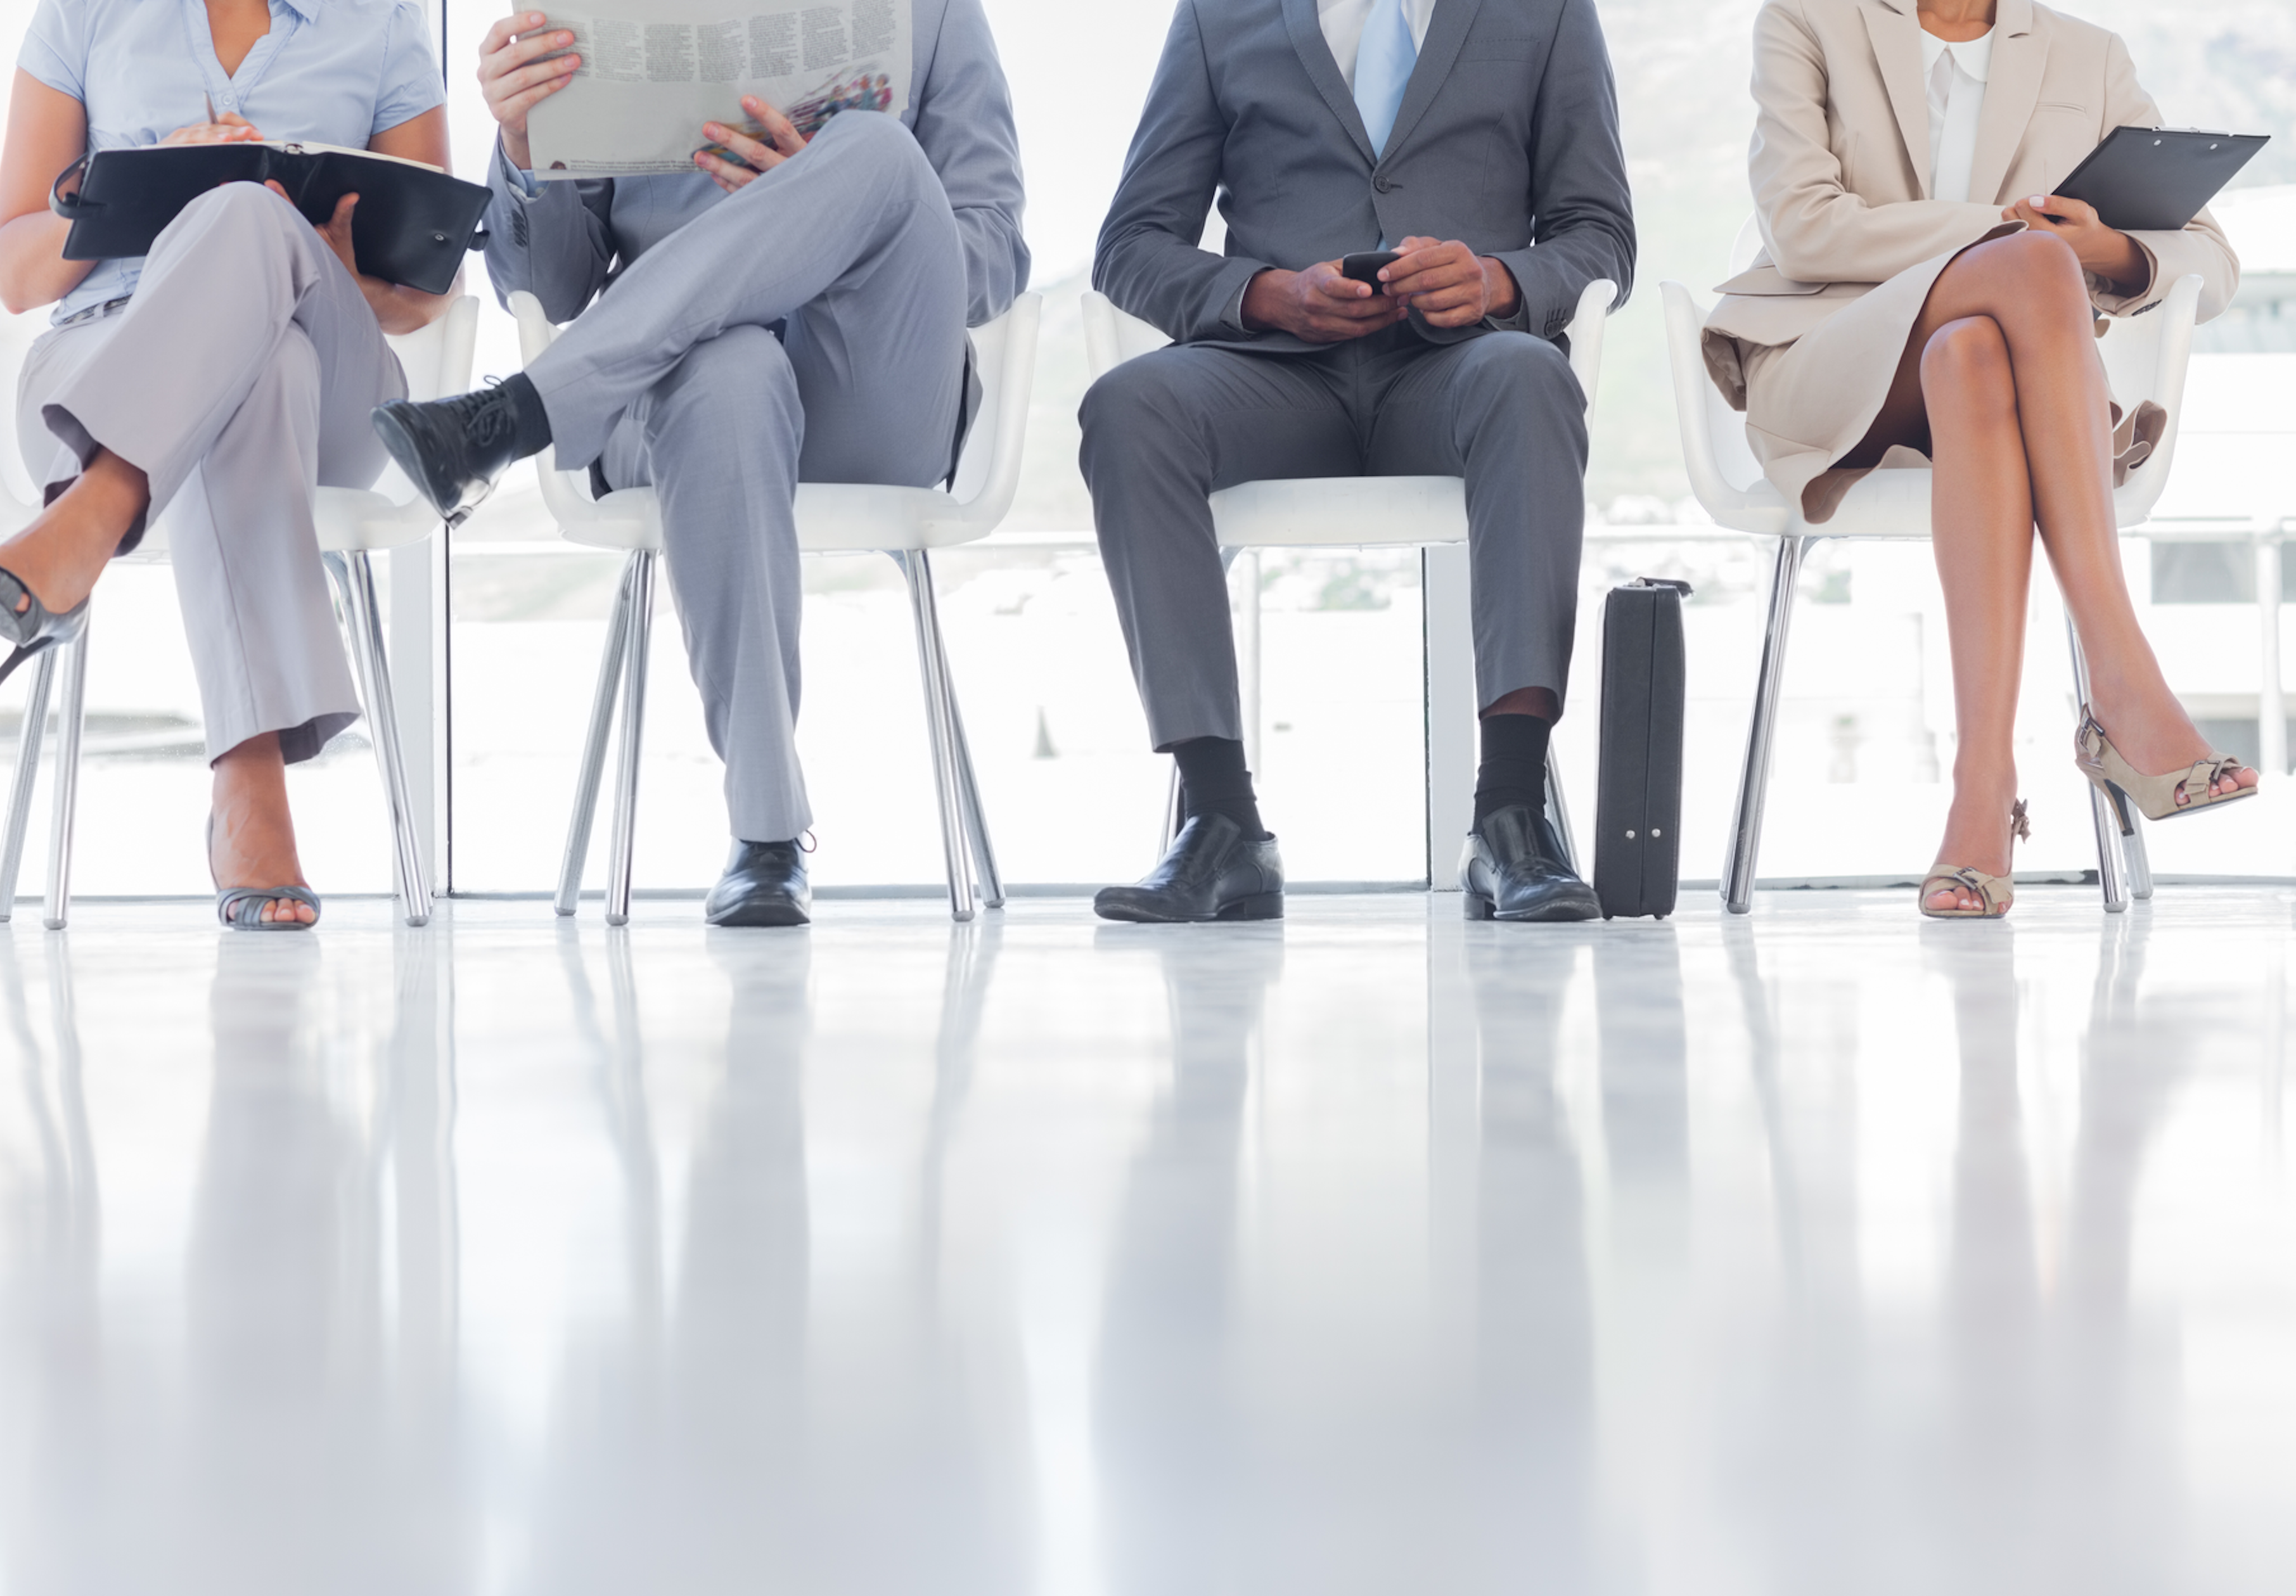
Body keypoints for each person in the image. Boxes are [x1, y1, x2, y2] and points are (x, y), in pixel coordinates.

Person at [374, 4, 1029, 928]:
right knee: (728, 373)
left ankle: (512, 419)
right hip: (680, 397)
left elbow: (996, 247)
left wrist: (831, 206)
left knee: (876, 153)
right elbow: (549, 287)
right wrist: (524, 144)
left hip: (871, 389)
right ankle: (767, 835)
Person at [1077, 0, 1635, 925]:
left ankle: (1509, 816)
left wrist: (1497, 281)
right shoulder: (1220, 15)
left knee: (1529, 376)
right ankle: (1221, 822)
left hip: (1457, 369)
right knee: (1130, 407)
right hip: (1274, 379)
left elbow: (1598, 230)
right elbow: (1131, 244)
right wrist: (1263, 293)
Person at [1702, 0, 2255, 920]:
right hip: (1826, 355)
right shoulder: (1807, 21)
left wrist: (2106, 248)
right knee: (2031, 266)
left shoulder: (2090, 55)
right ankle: (2122, 682)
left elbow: (2213, 263)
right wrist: (2012, 237)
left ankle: (1982, 795)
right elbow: (1805, 227)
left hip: (2000, 375)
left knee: (1972, 354)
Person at [0, 0, 453, 931]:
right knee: (261, 366)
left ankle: (93, 514)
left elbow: (427, 289)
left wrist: (324, 261)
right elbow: (14, 272)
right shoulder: (85, 17)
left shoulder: (380, 26)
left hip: (333, 362)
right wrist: (127, 200)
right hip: (101, 355)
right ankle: (250, 794)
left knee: (252, 226)